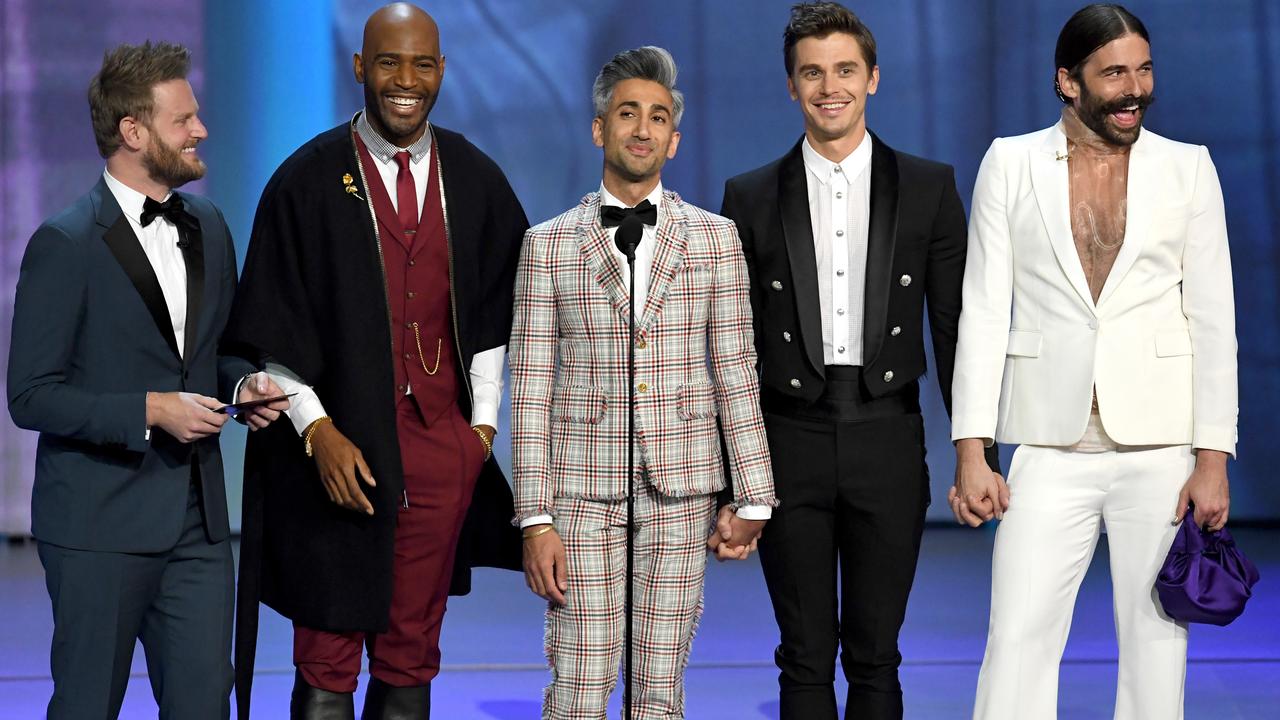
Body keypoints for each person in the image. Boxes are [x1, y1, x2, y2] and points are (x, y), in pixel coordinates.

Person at [222, 3, 528, 718]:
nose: (405, 79)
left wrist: (479, 432)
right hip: (335, 451)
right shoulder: (305, 180)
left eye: (422, 63)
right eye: (388, 61)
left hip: (438, 453)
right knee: (327, 655)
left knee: (410, 653)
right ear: (360, 68)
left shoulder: (475, 179)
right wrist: (315, 431)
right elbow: (274, 324)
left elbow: (492, 313)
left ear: (442, 71)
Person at [949, 4, 1238, 718]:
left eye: (1144, 69)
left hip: (1160, 443)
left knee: (1156, 645)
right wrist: (971, 450)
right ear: (1068, 82)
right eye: (1114, 73)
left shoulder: (1187, 168)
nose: (1134, 87)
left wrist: (1213, 458)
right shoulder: (1010, 163)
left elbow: (1214, 319)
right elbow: (984, 312)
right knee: (1015, 638)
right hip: (1049, 439)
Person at [718, 3, 1000, 718]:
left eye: (844, 69)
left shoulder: (930, 187)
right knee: (804, 657)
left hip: (888, 436)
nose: (828, 86)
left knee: (877, 654)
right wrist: (735, 480)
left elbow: (955, 330)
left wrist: (975, 452)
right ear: (790, 86)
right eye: (811, 72)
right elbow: (732, 347)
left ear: (873, 78)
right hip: (789, 440)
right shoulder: (748, 197)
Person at [6, 41, 287, 720]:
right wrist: (149, 410)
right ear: (133, 132)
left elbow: (219, 351)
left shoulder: (211, 227)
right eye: (183, 119)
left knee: (203, 707)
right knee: (87, 706)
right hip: (97, 527)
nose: (201, 130)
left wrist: (244, 384)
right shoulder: (65, 243)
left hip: (196, 524)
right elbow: (31, 394)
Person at [511, 45, 777, 719]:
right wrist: (535, 516)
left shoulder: (716, 240)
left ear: (674, 138)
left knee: (661, 688)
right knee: (579, 682)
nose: (641, 128)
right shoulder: (549, 244)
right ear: (599, 128)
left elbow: (736, 371)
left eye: (657, 117)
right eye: (627, 113)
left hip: (681, 486)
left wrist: (755, 497)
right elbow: (533, 386)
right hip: (581, 492)